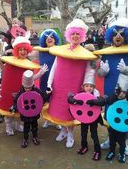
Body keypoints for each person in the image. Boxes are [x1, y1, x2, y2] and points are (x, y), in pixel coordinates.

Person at [94, 18, 128, 155]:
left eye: (122, 34)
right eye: (115, 33)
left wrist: (127, 70)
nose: (118, 36)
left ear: (127, 36)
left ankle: (125, 143)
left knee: (125, 114)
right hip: (110, 89)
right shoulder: (106, 53)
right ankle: (110, 139)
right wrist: (103, 71)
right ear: (110, 35)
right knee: (111, 113)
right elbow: (100, 73)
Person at [42, 18, 98, 148]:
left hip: (75, 87)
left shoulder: (86, 54)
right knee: (59, 111)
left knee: (71, 111)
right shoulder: (61, 50)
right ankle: (63, 130)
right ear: (69, 35)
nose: (75, 36)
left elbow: (89, 71)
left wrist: (87, 89)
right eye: (73, 33)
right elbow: (54, 68)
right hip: (58, 87)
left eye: (78, 33)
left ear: (82, 35)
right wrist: (49, 83)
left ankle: (70, 134)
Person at [0, 36, 47, 136]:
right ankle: (8, 126)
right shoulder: (10, 61)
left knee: (20, 108)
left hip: (21, 91)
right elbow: (4, 70)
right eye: (21, 49)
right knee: (8, 108)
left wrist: (40, 73)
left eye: (25, 49)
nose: (23, 51)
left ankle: (17, 124)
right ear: (17, 50)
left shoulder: (29, 64)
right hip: (8, 90)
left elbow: (31, 78)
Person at [86, 74, 128, 163]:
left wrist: (127, 95)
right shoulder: (114, 98)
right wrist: (116, 94)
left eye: (123, 92)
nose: (121, 94)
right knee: (112, 141)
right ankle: (111, 152)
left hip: (123, 127)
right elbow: (108, 101)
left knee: (122, 143)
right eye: (120, 92)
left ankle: (122, 154)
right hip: (113, 125)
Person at [67, 50, 103, 161]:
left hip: (93, 119)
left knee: (94, 135)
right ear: (83, 87)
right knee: (83, 134)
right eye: (87, 86)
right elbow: (70, 97)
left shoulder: (95, 93)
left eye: (91, 86)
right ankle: (84, 147)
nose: (89, 88)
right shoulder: (80, 94)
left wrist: (94, 102)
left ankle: (97, 151)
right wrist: (74, 100)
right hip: (83, 119)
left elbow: (102, 101)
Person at [34, 29, 61, 130]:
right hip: (44, 79)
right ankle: (47, 120)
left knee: (56, 99)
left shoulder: (59, 50)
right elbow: (28, 57)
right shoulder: (40, 51)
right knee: (46, 100)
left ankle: (56, 120)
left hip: (57, 79)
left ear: (55, 39)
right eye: (46, 37)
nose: (49, 38)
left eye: (52, 37)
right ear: (43, 40)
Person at [13, 70, 47, 148]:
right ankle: (25, 139)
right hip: (25, 115)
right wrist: (15, 108)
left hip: (34, 114)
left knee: (34, 126)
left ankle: (35, 137)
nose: (27, 89)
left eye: (29, 87)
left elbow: (42, 100)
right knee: (26, 127)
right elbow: (16, 101)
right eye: (26, 87)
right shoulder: (20, 92)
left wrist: (47, 94)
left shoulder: (37, 91)